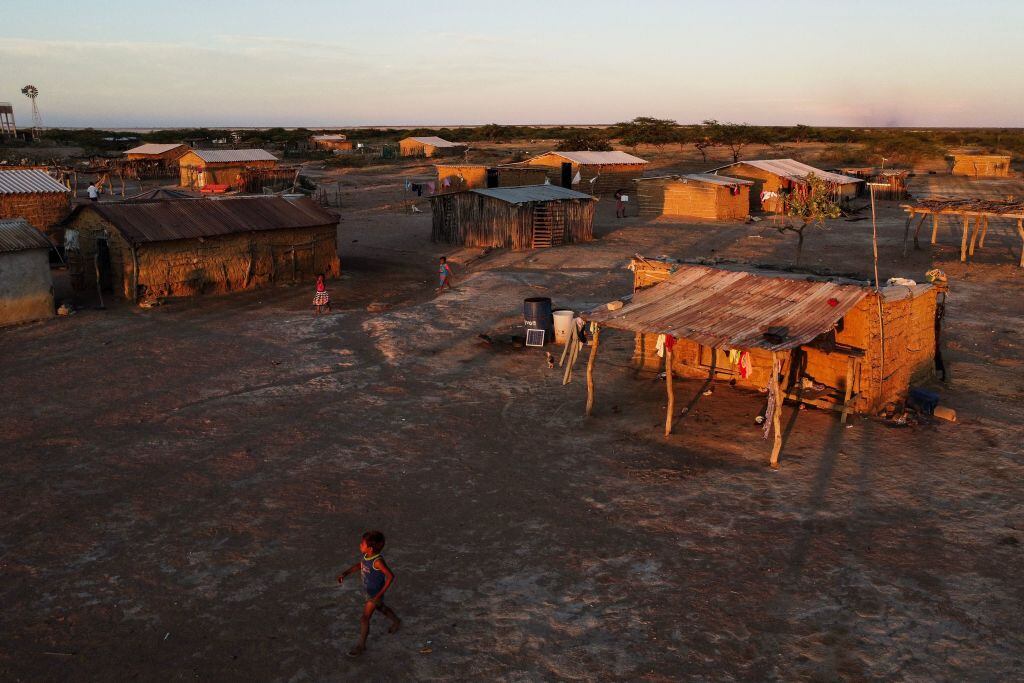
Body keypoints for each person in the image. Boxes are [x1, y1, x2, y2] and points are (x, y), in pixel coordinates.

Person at [337, 530, 401, 657]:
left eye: (362, 543)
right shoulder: (367, 557)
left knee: (364, 618)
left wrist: (378, 595)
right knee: (381, 608)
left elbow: (390, 576)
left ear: (370, 548)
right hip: (369, 592)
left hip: (374, 595)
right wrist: (346, 573)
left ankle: (361, 646)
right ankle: (396, 621)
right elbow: (361, 565)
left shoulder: (377, 561)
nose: (360, 545)